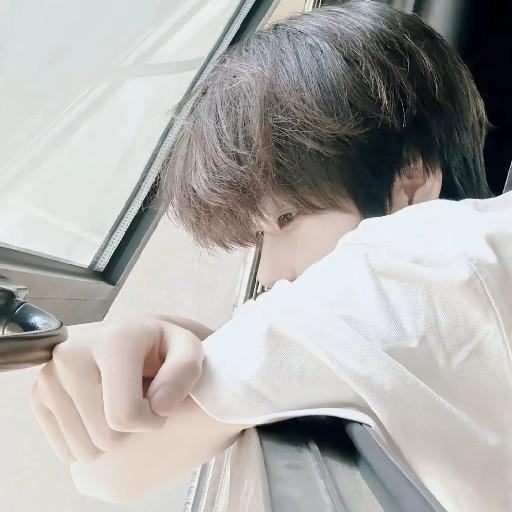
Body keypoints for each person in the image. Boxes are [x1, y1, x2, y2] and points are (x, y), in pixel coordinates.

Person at [30, 2, 512, 511]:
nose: (270, 272)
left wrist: (183, 354)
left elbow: (114, 467)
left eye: (287, 218)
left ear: (411, 180)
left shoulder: (414, 262)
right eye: (258, 239)